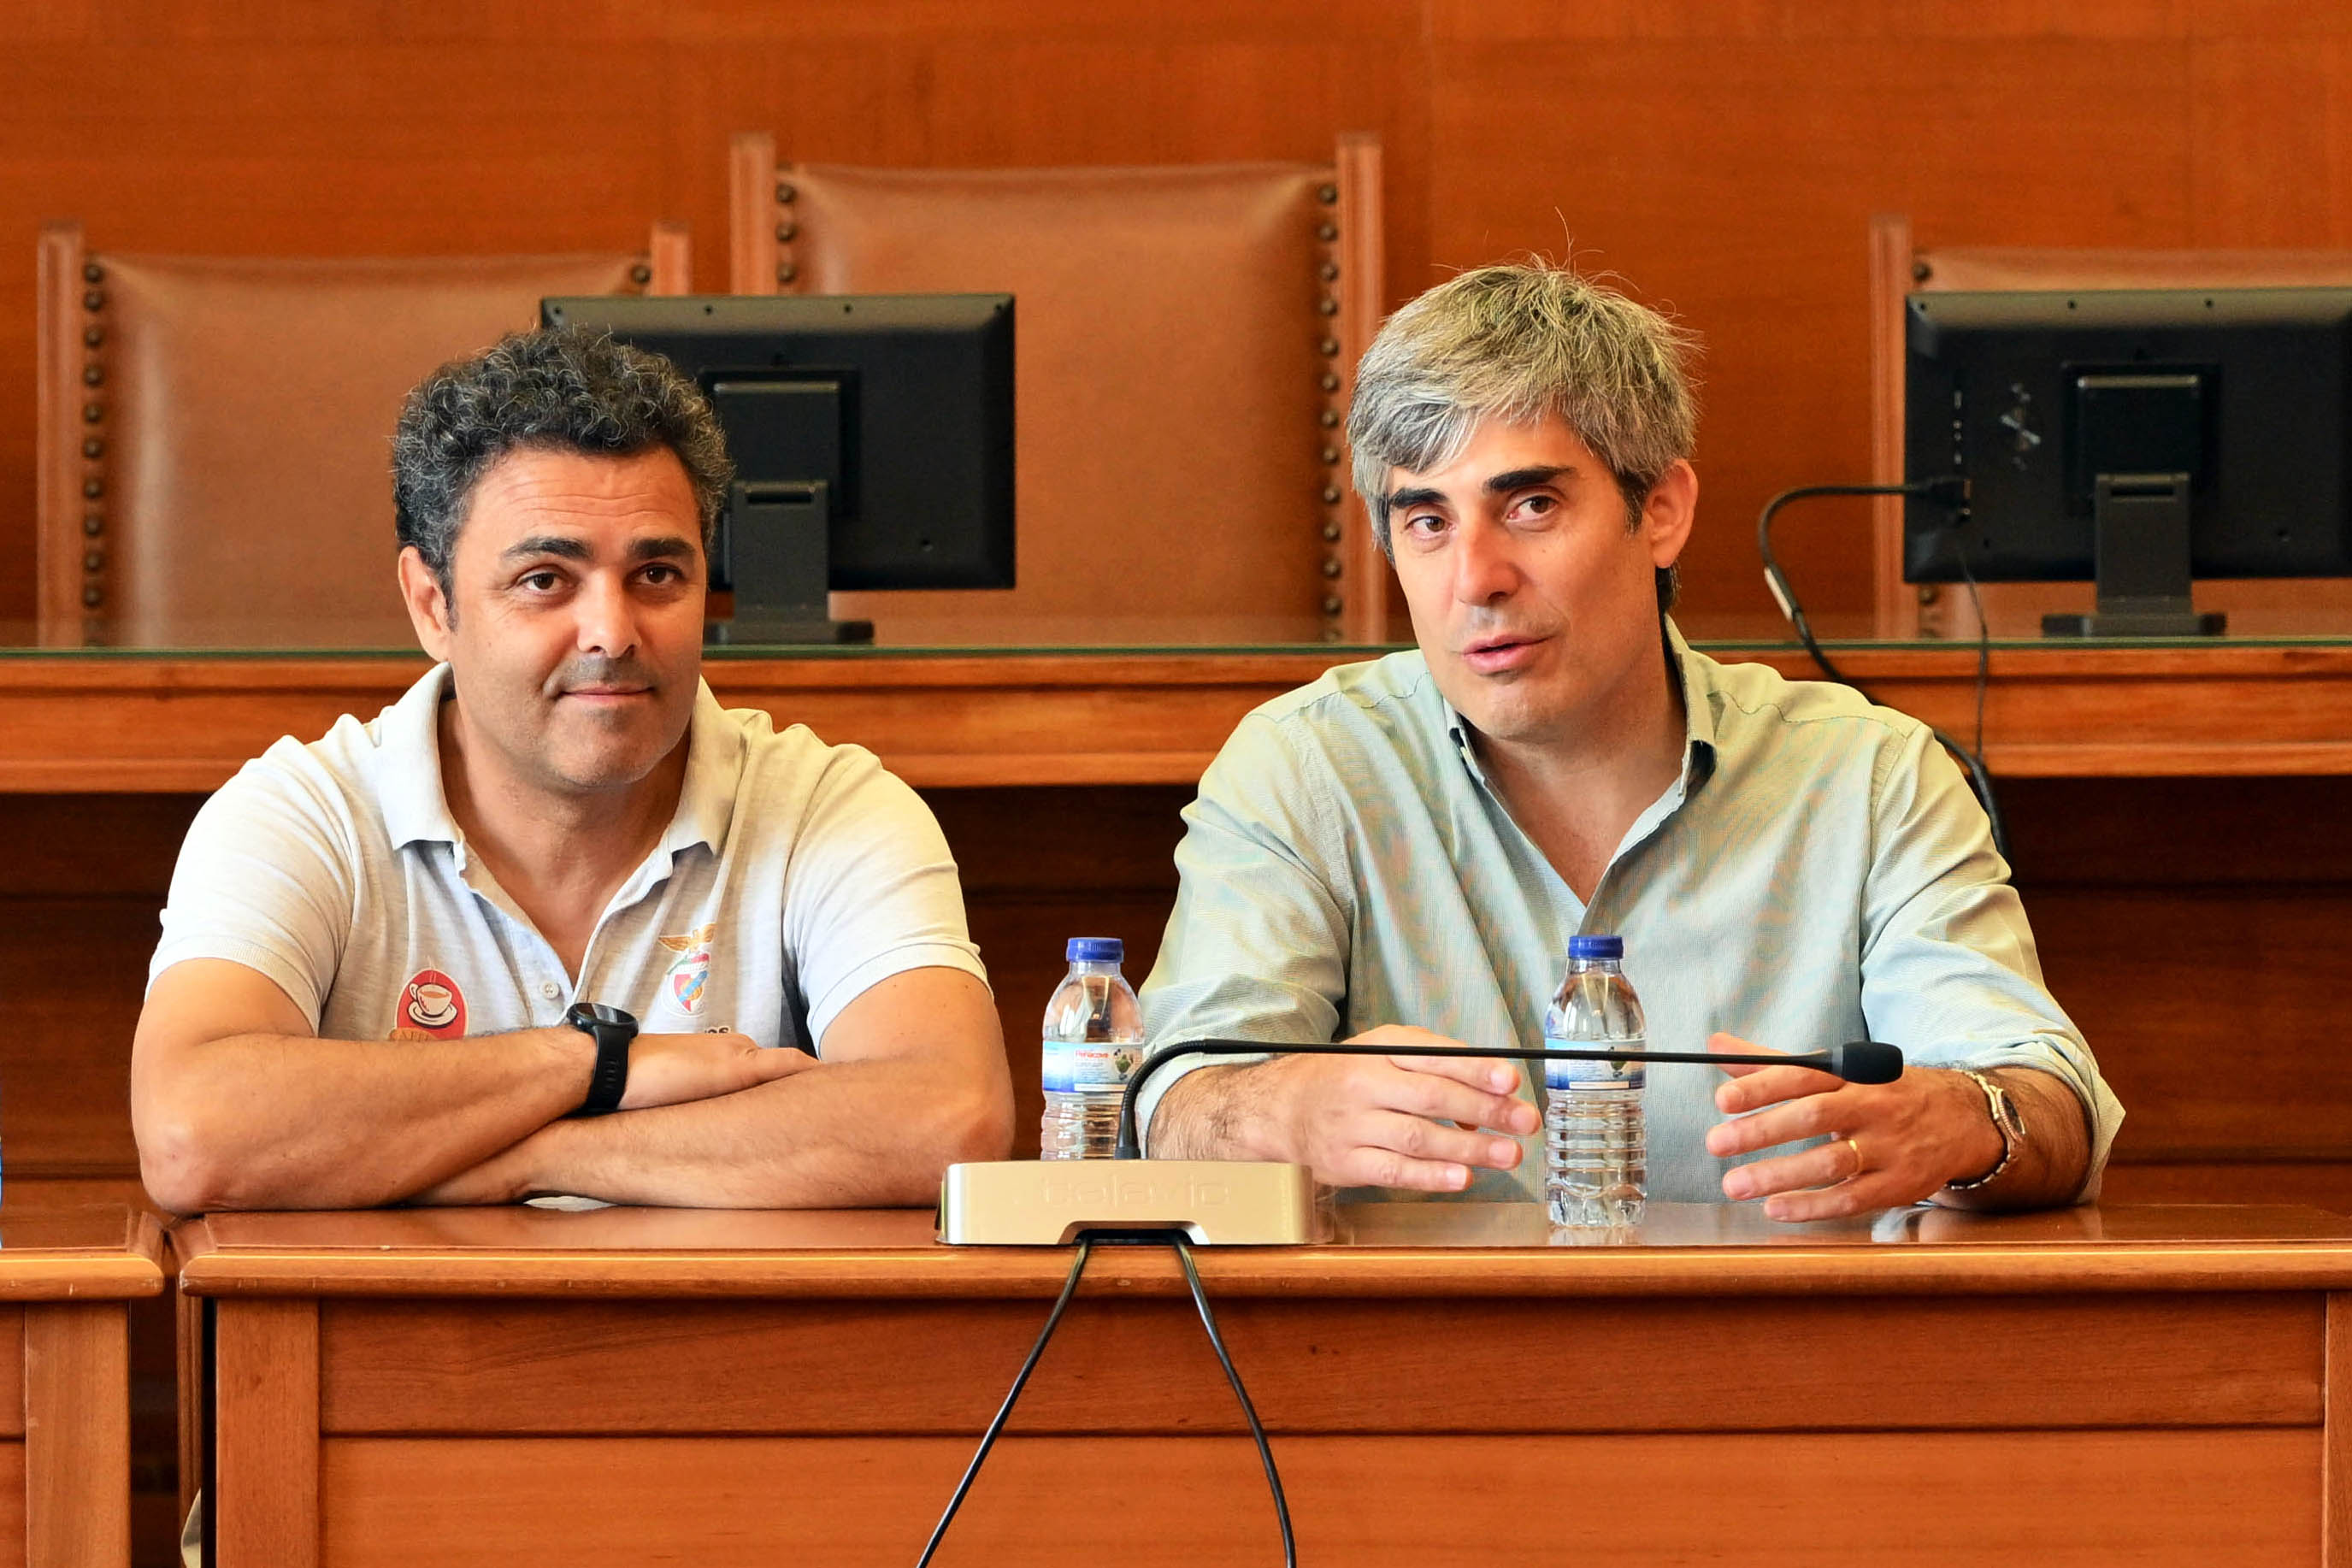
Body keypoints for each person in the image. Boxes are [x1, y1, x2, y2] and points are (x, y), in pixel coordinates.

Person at [1137, 262, 2121, 1219]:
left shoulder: (1871, 777)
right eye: (1427, 520)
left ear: (1661, 511)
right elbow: (1168, 1107)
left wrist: (1966, 1122)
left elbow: (2054, 1104)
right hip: (1409, 1333)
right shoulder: (1305, 768)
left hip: (1786, 1330)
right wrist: (1281, 1112)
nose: (1475, 578)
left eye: (1531, 506)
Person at [131, 327, 1012, 1213]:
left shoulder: (830, 805)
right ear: (432, 605)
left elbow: (950, 1118)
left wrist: (536, 1156)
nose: (613, 633)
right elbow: (192, 1135)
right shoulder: (300, 813)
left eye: (657, 574)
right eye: (546, 580)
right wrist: (597, 1062)